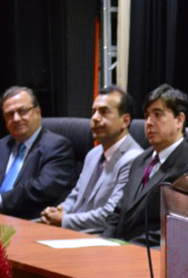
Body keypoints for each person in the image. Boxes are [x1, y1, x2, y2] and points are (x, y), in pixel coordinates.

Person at [103, 84, 188, 245]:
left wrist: (127, 249)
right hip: (118, 250)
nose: (149, 122)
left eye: (158, 115)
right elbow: (118, 211)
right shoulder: (140, 159)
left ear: (179, 120)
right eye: (147, 116)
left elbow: (174, 228)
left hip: (148, 256)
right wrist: (105, 242)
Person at [39, 86, 143, 234]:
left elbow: (111, 213)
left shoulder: (134, 159)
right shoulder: (93, 154)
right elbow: (76, 196)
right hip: (70, 232)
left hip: (97, 238)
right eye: (93, 111)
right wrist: (59, 210)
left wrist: (63, 220)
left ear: (125, 120)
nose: (95, 118)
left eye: (104, 112)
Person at [0, 86, 75, 219]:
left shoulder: (57, 146)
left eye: (22, 111)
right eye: (10, 114)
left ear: (38, 111)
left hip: (31, 223)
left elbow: (42, 188)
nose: (16, 119)